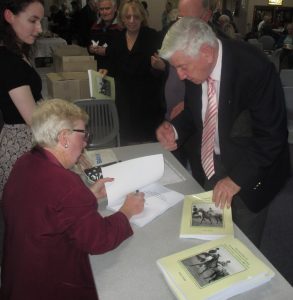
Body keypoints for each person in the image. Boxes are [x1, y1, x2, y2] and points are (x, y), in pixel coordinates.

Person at [156, 17, 290, 247]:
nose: (179, 75)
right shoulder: (196, 65)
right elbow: (194, 111)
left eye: (182, 67)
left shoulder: (254, 69)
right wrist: (174, 130)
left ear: (207, 52)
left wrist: (236, 180)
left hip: (252, 167)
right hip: (214, 161)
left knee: (243, 243)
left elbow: (272, 137)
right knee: (210, 233)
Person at [0, 99, 145, 300]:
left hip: (17, 279)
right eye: (83, 135)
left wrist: (88, 195)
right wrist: (127, 211)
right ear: (64, 138)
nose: (85, 142)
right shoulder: (66, 184)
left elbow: (50, 209)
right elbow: (99, 240)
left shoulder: (24, 162)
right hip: (49, 286)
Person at [151, 0, 223, 187]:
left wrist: (235, 179)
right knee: (182, 178)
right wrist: (174, 128)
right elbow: (192, 102)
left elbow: (263, 135)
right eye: (180, 18)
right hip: (182, 121)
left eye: (188, 18)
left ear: (206, 16)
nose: (181, 24)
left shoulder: (230, 58)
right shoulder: (184, 51)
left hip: (219, 148)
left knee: (203, 179)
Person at [0, 0, 44, 201]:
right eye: (33, 21)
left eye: (40, 21)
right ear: (10, 17)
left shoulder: (18, 53)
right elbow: (34, 119)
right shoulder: (8, 61)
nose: (40, 29)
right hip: (21, 147)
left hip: (29, 142)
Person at [106, 0, 164, 144]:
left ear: (142, 17)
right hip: (124, 99)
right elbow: (111, 66)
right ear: (122, 19)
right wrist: (105, 71)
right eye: (128, 17)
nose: (132, 21)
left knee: (147, 140)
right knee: (126, 138)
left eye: (136, 17)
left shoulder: (153, 37)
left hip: (147, 100)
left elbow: (163, 69)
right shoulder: (116, 39)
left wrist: (160, 66)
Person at [88, 0, 121, 72]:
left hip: (117, 70)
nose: (104, 12)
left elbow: (125, 51)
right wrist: (90, 49)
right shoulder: (95, 26)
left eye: (107, 8)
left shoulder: (122, 27)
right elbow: (90, 43)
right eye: (101, 9)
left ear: (115, 8)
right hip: (98, 68)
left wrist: (106, 51)